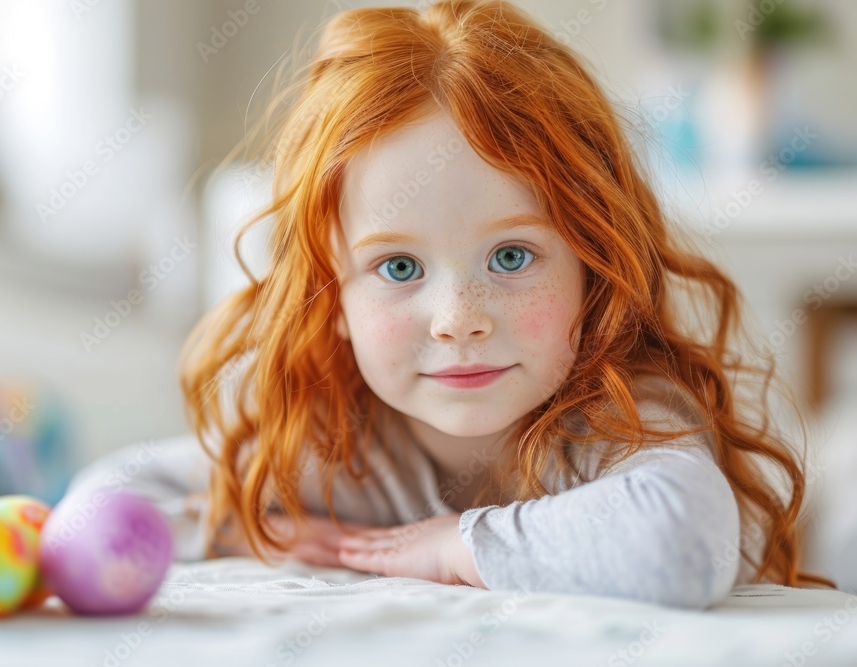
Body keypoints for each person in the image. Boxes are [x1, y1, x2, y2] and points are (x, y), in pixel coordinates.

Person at [64, 0, 833, 609]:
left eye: (511, 257)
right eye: (398, 265)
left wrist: (452, 547)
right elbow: (113, 490)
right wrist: (231, 526)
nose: (457, 316)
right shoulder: (330, 439)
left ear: (594, 268)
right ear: (329, 296)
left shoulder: (621, 413)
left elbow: (678, 545)